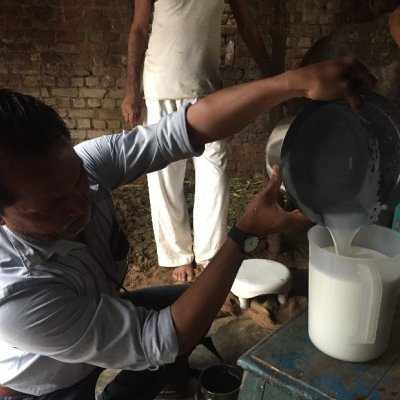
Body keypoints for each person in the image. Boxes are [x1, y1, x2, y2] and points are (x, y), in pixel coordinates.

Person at [0, 58, 376, 399]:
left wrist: (296, 82)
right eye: (51, 207)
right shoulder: (14, 295)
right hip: (46, 382)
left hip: (99, 309)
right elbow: (163, 338)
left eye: (79, 182)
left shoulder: (82, 166)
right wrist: (244, 233)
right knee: (167, 338)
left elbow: (182, 129)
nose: (80, 204)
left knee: (185, 303)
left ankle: (168, 383)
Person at [121, 0, 273, 283]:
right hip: (160, 83)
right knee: (165, 172)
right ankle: (177, 254)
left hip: (204, 86)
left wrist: (273, 77)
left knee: (216, 170)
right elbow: (139, 29)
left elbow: (248, 27)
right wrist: (132, 89)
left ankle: (210, 252)